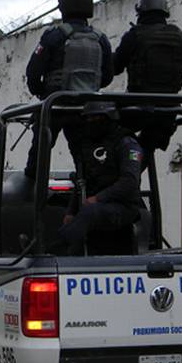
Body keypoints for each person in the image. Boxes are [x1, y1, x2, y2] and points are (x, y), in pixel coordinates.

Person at [24, 0, 114, 179]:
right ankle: (86, 190)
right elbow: (107, 76)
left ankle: (31, 194)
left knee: (39, 156)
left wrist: (43, 94)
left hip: (55, 106)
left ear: (63, 9)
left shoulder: (54, 36)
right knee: (86, 158)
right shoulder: (101, 39)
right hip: (87, 108)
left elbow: (33, 72)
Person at [52, 102, 143, 256]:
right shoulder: (89, 146)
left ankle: (51, 250)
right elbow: (82, 181)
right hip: (98, 207)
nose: (91, 123)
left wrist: (99, 198)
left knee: (89, 211)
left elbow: (130, 183)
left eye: (96, 118)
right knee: (77, 217)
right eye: (88, 119)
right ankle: (60, 253)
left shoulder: (126, 143)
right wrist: (71, 212)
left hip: (123, 206)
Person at [113, 0, 182, 158]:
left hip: (138, 108)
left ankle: (122, 175)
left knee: (105, 122)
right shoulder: (178, 35)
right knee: (147, 147)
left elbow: (115, 67)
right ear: (165, 13)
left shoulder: (134, 35)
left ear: (140, 13)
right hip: (168, 110)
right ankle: (132, 171)